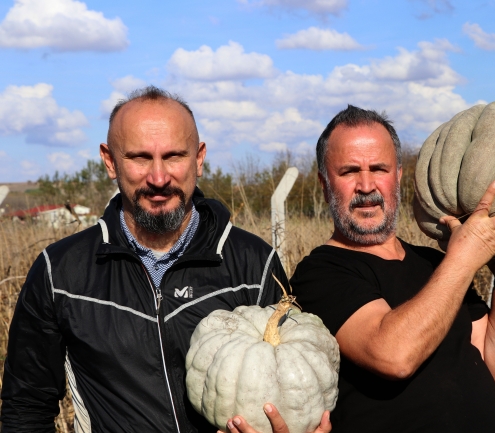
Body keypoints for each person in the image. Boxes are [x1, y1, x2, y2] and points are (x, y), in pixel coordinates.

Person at [0, 86, 330, 433]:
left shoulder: (254, 263)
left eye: (174, 156)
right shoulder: (61, 272)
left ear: (199, 157)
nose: (159, 178)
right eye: (140, 158)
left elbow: (292, 387)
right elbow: (26, 411)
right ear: (110, 160)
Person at [289, 105, 495, 432]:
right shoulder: (319, 273)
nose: (366, 186)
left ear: (399, 177)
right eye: (349, 171)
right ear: (324, 184)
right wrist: (464, 258)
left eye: (379, 168)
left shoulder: (435, 263)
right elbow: (394, 356)